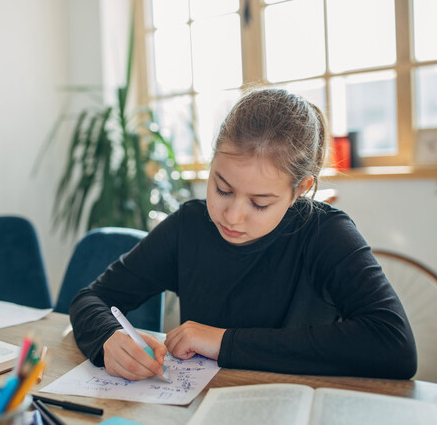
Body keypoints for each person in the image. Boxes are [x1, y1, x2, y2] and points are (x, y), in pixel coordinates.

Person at [70, 88, 417, 381]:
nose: (233, 216)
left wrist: (225, 343)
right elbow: (90, 300)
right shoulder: (189, 226)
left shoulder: (326, 234)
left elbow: (394, 345)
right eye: (222, 189)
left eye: (260, 203)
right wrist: (108, 338)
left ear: (301, 189)